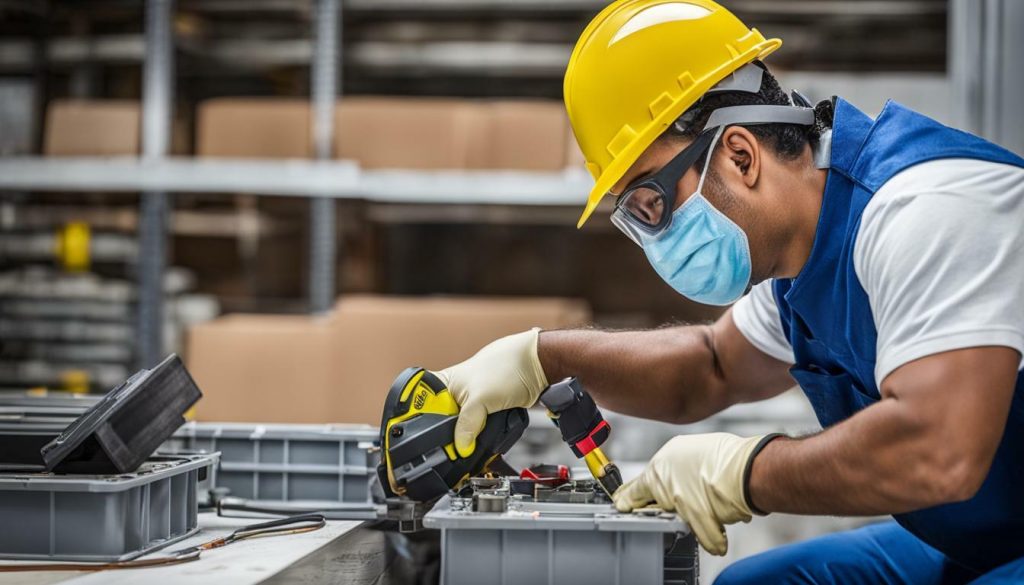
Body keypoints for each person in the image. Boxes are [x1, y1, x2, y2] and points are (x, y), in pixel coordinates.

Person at [435, 1, 1024, 583]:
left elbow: (940, 451)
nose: (654, 237)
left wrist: (742, 473)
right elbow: (711, 367)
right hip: (985, 540)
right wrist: (538, 358)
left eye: (652, 201)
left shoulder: (925, 212)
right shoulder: (804, 261)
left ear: (740, 155)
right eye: (633, 215)